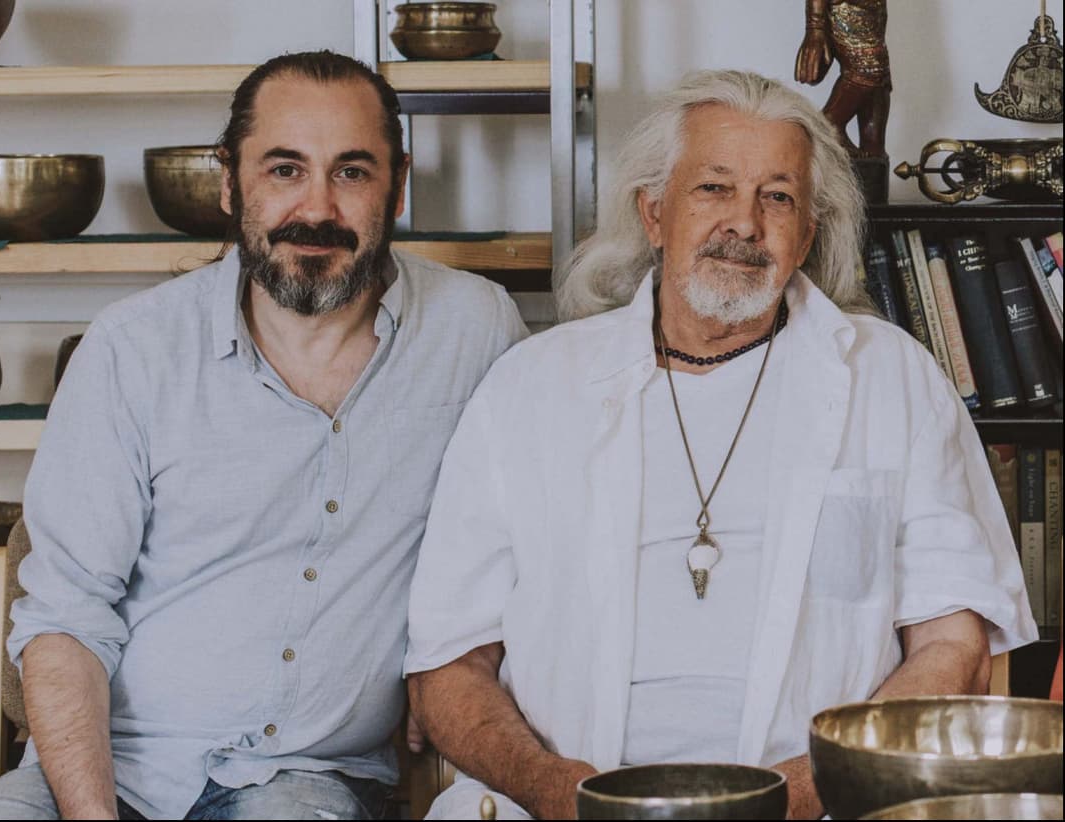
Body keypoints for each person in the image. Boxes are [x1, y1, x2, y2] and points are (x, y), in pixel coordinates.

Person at [404, 69, 1037, 820]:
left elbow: (952, 642)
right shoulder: (530, 386)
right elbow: (448, 664)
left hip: (825, 803)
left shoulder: (889, 376)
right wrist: (552, 790)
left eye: (778, 197)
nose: (745, 223)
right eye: (713, 188)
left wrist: (809, 791)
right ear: (654, 213)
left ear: (806, 236)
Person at [0, 51, 527, 821]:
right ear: (230, 181)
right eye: (284, 170)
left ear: (397, 187)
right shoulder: (132, 348)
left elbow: (521, 535)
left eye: (352, 173)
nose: (317, 208)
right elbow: (65, 617)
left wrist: (449, 666)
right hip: (108, 762)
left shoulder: (475, 329)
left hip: (305, 778)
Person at [795, 0, 891, 158]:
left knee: (878, 85)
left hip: (872, 12)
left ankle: (874, 155)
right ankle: (829, 126)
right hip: (848, 10)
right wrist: (815, 27)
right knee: (868, 71)